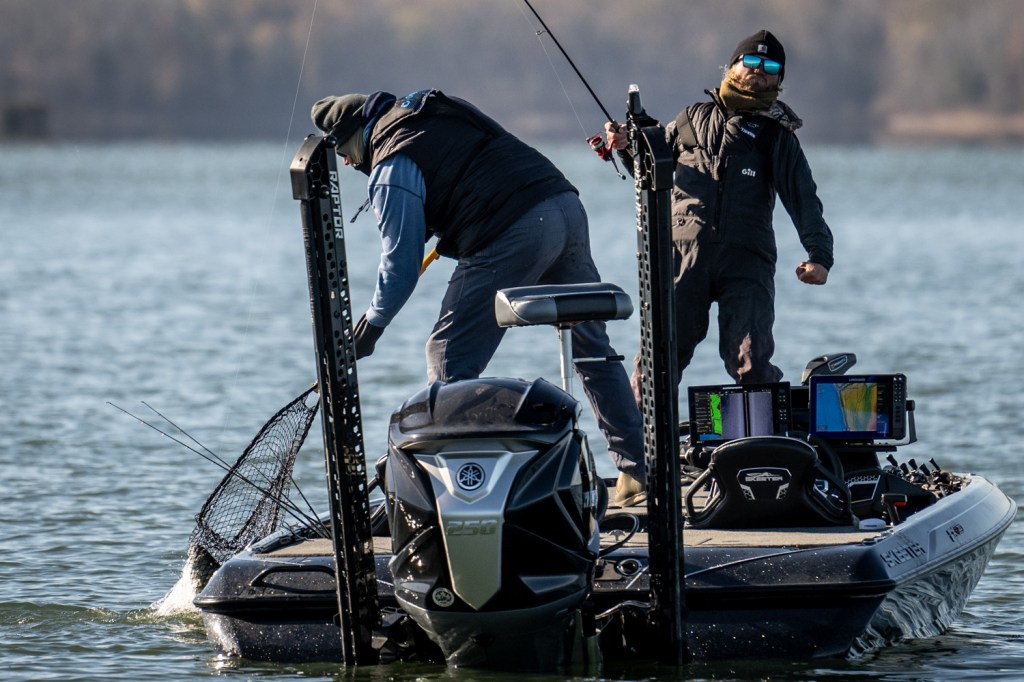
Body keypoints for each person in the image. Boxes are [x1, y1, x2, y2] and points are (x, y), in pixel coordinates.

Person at [311, 88, 645, 498]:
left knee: (447, 356)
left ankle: (460, 493)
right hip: (564, 205)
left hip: (515, 228)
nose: (346, 162)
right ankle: (637, 472)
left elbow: (400, 267)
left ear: (356, 133)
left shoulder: (391, 163)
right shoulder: (425, 114)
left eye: (342, 150)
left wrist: (372, 327)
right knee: (591, 348)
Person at [605, 29, 833, 396]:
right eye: (751, 61)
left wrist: (819, 255)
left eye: (769, 67)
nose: (758, 70)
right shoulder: (690, 119)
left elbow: (804, 199)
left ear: (778, 80)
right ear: (732, 66)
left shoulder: (778, 136)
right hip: (682, 256)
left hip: (747, 261)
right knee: (656, 363)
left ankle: (761, 432)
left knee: (752, 363)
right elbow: (647, 172)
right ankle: (640, 435)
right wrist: (624, 146)